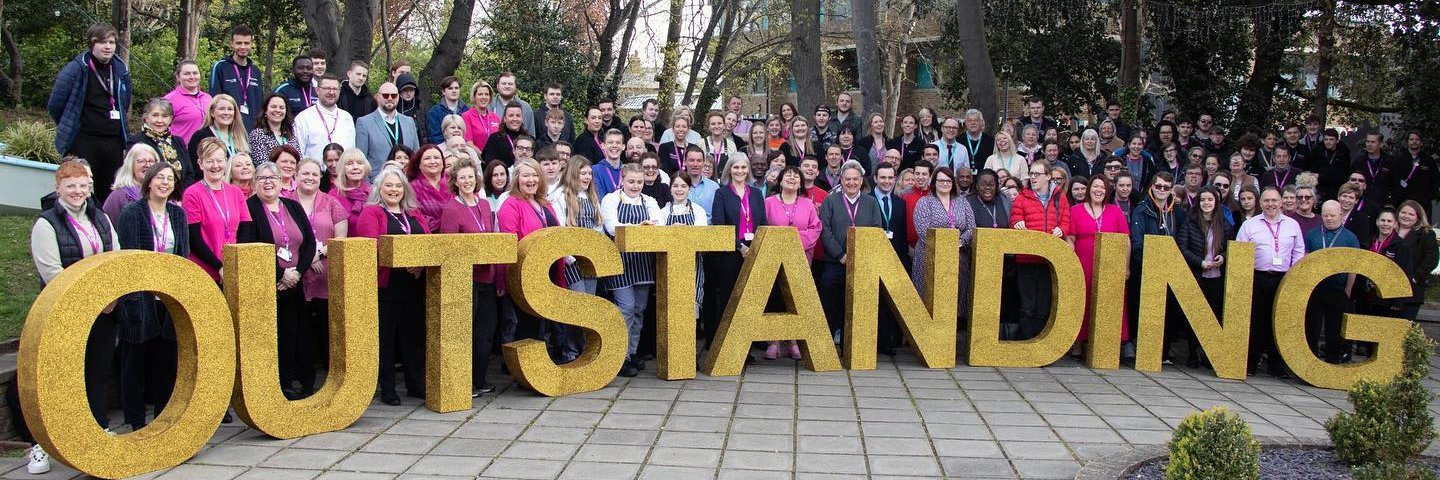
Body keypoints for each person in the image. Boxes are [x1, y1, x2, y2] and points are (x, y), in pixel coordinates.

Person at [113, 161, 185, 432]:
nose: (165, 183)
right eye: (160, 178)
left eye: (170, 179)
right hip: (140, 297)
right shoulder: (132, 213)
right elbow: (128, 258)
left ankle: (164, 417)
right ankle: (135, 419)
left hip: (168, 299)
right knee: (135, 361)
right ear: (149, 182)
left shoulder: (177, 215)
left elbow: (182, 255)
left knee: (165, 362)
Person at [240, 162, 317, 399]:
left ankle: (297, 381)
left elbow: (309, 243)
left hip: (295, 284)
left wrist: (296, 273)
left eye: (272, 177)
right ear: (255, 182)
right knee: (273, 338)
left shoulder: (292, 206)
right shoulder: (249, 208)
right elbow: (249, 245)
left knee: (295, 335)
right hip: (267, 286)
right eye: (262, 178)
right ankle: (275, 387)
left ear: (281, 181)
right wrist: (280, 274)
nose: (268, 182)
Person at [354, 167, 429, 404]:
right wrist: (404, 261)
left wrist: (420, 264)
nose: (394, 190)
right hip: (386, 286)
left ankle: (415, 384)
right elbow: (373, 247)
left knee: (414, 339)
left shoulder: (414, 213)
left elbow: (429, 243)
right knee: (386, 340)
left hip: (413, 284)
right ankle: (388, 389)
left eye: (398, 186)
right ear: (379, 188)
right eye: (389, 185)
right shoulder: (372, 212)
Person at [435, 157, 499, 395]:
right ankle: (462, 383)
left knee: (486, 332)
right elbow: (449, 248)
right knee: (465, 332)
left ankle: (480, 380)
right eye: (462, 178)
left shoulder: (484, 205)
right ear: (455, 181)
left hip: (488, 277)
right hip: (466, 280)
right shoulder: (451, 208)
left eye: (471, 177)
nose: (467, 181)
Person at [50, 24, 133, 204]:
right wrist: (70, 123)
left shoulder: (120, 69)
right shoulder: (77, 68)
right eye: (102, 42)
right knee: (80, 187)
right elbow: (56, 104)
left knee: (111, 190)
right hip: (84, 139)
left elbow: (125, 101)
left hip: (113, 141)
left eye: (111, 42)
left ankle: (107, 228)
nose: (108, 47)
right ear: (91, 44)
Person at [600, 164, 663, 376]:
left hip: (643, 262)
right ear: (622, 180)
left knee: (639, 310)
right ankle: (621, 356)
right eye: (631, 181)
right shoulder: (611, 199)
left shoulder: (650, 201)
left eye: (639, 182)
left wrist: (649, 228)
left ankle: (633, 351)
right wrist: (641, 228)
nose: (635, 186)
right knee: (626, 309)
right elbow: (612, 227)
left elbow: (659, 225)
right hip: (619, 262)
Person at [1236, 187, 1305, 377]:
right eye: (1266, 201)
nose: (1271, 204)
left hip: (1283, 279)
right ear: (1260, 203)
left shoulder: (1292, 225)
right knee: (1256, 322)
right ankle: (1250, 363)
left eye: (1274, 200)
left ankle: (1277, 367)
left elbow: (1299, 251)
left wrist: (1294, 276)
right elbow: (1240, 252)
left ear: (1281, 202)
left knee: (1280, 322)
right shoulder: (1250, 225)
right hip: (1257, 278)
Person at [703, 152, 767, 352]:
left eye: (743, 167)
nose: (740, 171)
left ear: (748, 170)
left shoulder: (756, 193)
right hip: (729, 255)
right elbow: (720, 226)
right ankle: (725, 347)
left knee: (748, 300)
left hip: (752, 253)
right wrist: (740, 247)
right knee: (730, 299)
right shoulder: (721, 193)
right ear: (729, 170)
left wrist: (754, 247)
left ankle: (743, 347)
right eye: (736, 167)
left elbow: (762, 223)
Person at [498, 159, 562, 345]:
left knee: (543, 324)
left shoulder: (545, 203)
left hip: (547, 272)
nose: (531, 179)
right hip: (524, 275)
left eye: (535, 175)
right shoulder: (511, 204)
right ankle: (525, 370)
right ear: (517, 179)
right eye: (526, 175)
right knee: (528, 326)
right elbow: (509, 245)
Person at [817, 160, 881, 344]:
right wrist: (840, 255)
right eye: (847, 179)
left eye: (855, 179)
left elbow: (876, 230)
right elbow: (825, 230)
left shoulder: (871, 203)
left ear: (862, 180)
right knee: (831, 301)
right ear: (841, 181)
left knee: (856, 306)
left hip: (862, 263)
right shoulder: (831, 200)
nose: (851, 183)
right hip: (835, 262)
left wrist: (860, 257)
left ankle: (851, 345)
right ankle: (825, 343)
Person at [762, 166, 822, 360]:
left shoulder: (808, 204)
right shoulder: (768, 203)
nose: (792, 178)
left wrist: (792, 242)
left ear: (801, 183)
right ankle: (773, 341)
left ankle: (794, 341)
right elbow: (762, 229)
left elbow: (815, 229)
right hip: (773, 259)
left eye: (796, 176)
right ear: (779, 181)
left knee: (797, 299)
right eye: (787, 175)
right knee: (775, 298)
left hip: (801, 259)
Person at [1069, 174, 1131, 356]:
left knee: (1109, 303)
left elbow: (1125, 240)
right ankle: (1078, 343)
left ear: (1107, 191)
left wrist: (1126, 267)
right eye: (1095, 187)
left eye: (1102, 188)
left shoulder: (1115, 211)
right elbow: (1071, 238)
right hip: (1083, 264)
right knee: (1082, 302)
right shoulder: (1076, 210)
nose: (1098, 190)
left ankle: (1106, 345)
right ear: (1089, 189)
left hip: (1109, 266)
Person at [911, 166, 976, 337]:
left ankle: (949, 339)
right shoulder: (925, 202)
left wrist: (960, 242)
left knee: (954, 298)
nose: (945, 183)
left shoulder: (962, 202)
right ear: (934, 183)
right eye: (941, 180)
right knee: (929, 297)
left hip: (958, 256)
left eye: (948, 180)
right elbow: (922, 230)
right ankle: (927, 338)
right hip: (929, 256)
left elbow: (971, 227)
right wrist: (944, 246)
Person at [1010, 159, 1070, 340]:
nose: (1033, 177)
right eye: (1031, 174)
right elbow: (1014, 220)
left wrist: (1063, 230)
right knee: (1027, 306)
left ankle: (1040, 343)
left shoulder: (1060, 197)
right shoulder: (1022, 197)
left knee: (1044, 306)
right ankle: (1026, 342)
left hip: (1049, 261)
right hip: (1026, 260)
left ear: (1049, 176)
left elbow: (1066, 221)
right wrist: (1017, 224)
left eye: (1037, 174)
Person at [1174, 186, 1234, 368]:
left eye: (1210, 200)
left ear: (1216, 203)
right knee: (1195, 317)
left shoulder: (1224, 224)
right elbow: (1182, 247)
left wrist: (1223, 257)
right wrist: (1200, 262)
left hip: (1216, 277)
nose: (1206, 203)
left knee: (1214, 316)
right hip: (1197, 274)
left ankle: (1210, 355)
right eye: (1203, 200)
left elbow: (1230, 246)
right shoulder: (1189, 222)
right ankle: (1193, 354)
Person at [184, 137, 254, 283]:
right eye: (209, 161)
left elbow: (245, 230)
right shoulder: (192, 193)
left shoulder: (235, 192)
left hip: (233, 269)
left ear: (225, 161)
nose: (215, 166)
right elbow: (194, 238)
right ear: (200, 164)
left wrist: (235, 264)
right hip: (206, 272)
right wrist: (219, 267)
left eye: (219, 160)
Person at [1302, 200, 1360, 363]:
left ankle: (1333, 359)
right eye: (1326, 215)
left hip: (1338, 289)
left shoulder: (1350, 238)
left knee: (1334, 327)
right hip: (1316, 288)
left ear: (1340, 215)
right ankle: (1310, 359)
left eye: (1332, 215)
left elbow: (1353, 268)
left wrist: (1347, 291)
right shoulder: (1312, 234)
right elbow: (1305, 261)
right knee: (1312, 326)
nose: (1328, 218)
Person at [1375, 201, 1438, 321]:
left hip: (1411, 290)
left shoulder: (1426, 234)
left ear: (1418, 217)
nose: (1406, 216)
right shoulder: (1389, 230)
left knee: (1401, 330)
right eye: (1403, 212)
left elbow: (1432, 259)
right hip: (1387, 291)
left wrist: (1415, 277)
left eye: (1411, 214)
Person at [355, 82, 420, 176]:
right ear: (377, 97)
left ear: (398, 97)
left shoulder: (409, 122)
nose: (390, 98)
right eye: (385, 95)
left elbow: (416, 154)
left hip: (407, 181)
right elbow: (361, 159)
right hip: (378, 182)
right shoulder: (364, 123)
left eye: (393, 95)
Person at [208, 25, 263, 129]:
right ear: (232, 43)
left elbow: (260, 102)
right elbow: (214, 100)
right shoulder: (220, 67)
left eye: (246, 43)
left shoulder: (255, 71)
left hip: (253, 129)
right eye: (239, 43)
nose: (243, 47)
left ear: (251, 44)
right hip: (229, 128)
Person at [293, 75, 357, 160]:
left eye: (335, 89)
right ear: (317, 90)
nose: (331, 92)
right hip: (315, 172)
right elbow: (298, 153)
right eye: (327, 88)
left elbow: (351, 149)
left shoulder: (346, 117)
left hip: (343, 171)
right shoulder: (303, 118)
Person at [131, 98, 191, 186]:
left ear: (171, 119)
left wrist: (181, 196)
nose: (159, 120)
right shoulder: (136, 141)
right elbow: (133, 174)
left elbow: (189, 173)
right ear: (146, 117)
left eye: (164, 116)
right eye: (155, 115)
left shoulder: (178, 141)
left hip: (180, 196)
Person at [103, 144, 160, 221]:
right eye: (142, 161)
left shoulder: (162, 193)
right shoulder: (118, 197)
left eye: (151, 161)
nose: (147, 165)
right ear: (131, 165)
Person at [403, 144, 452, 232]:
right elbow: (415, 217)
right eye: (427, 158)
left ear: (443, 163)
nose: (432, 161)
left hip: (457, 234)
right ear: (419, 165)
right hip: (427, 236)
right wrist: (444, 223)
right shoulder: (412, 188)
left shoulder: (453, 183)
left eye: (436, 158)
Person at [164, 60, 211, 145]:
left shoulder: (208, 98)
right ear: (178, 77)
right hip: (182, 151)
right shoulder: (169, 100)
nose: (192, 77)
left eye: (195, 73)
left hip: (207, 152)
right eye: (187, 74)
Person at [330, 149, 373, 227]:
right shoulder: (334, 195)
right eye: (349, 164)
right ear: (343, 168)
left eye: (360, 163)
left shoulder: (374, 193)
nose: (355, 167)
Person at [247, 93, 293, 162]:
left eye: (281, 107)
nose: (278, 110)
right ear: (265, 110)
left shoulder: (290, 136)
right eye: (273, 107)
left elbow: (299, 161)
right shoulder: (257, 135)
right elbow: (262, 163)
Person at [482, 101, 531, 166]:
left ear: (522, 118)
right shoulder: (494, 139)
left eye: (518, 116)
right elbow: (489, 165)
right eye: (511, 116)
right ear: (505, 118)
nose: (515, 119)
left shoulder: (529, 139)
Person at [425, 76, 470, 144]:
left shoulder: (467, 111)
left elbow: (469, 135)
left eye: (456, 88)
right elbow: (435, 137)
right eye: (450, 88)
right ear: (443, 91)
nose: (454, 91)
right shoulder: (434, 112)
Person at [461, 81, 500, 151]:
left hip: (495, 159)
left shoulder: (495, 117)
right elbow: (468, 143)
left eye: (486, 94)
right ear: (474, 96)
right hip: (476, 159)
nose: (484, 97)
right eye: (480, 94)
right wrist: (483, 156)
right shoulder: (466, 116)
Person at [593, 129, 627, 197]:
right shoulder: (595, 170)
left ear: (623, 146)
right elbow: (598, 198)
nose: (614, 145)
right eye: (610, 142)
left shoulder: (628, 170)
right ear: (603, 145)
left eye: (618, 142)